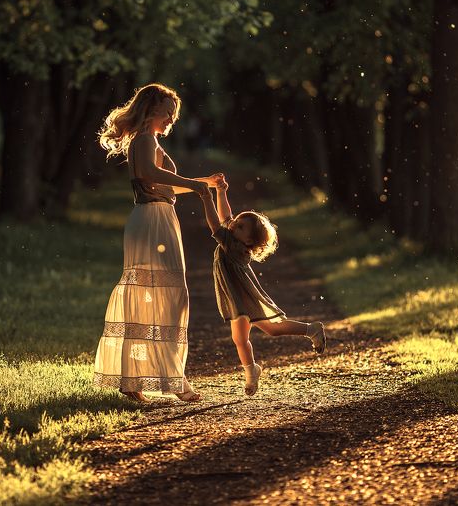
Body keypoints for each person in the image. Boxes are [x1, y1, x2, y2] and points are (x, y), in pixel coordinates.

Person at [93, 83, 221, 403]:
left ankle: (140, 378)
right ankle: (169, 379)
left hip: (156, 217)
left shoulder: (147, 140)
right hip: (152, 221)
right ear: (151, 110)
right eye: (167, 112)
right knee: (165, 297)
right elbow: (150, 174)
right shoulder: (145, 140)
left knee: (156, 296)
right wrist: (193, 183)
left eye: (173, 114)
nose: (171, 119)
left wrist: (203, 184)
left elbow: (165, 186)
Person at [197, 175, 326, 396]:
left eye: (240, 226)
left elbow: (215, 223)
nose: (233, 225)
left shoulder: (233, 245)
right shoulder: (234, 237)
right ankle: (308, 331)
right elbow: (226, 217)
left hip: (241, 296)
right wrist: (221, 191)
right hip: (238, 294)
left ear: (248, 241)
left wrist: (205, 197)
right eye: (237, 222)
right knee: (266, 331)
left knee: (244, 337)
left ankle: (252, 371)